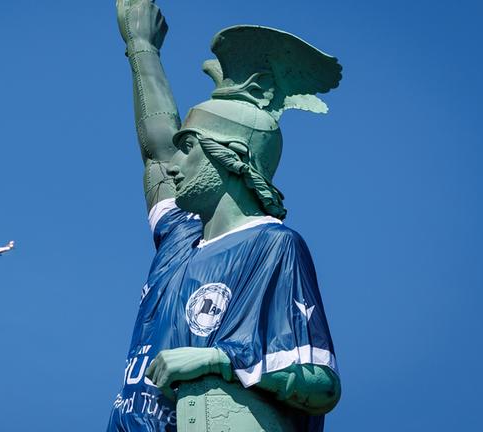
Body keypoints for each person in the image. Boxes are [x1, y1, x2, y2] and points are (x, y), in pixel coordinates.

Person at [107, 1, 343, 431]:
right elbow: (156, 152)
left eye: (190, 148)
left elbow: (321, 384)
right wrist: (142, 47)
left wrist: (219, 361)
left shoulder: (272, 246)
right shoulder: (178, 237)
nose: (175, 164)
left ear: (231, 158)